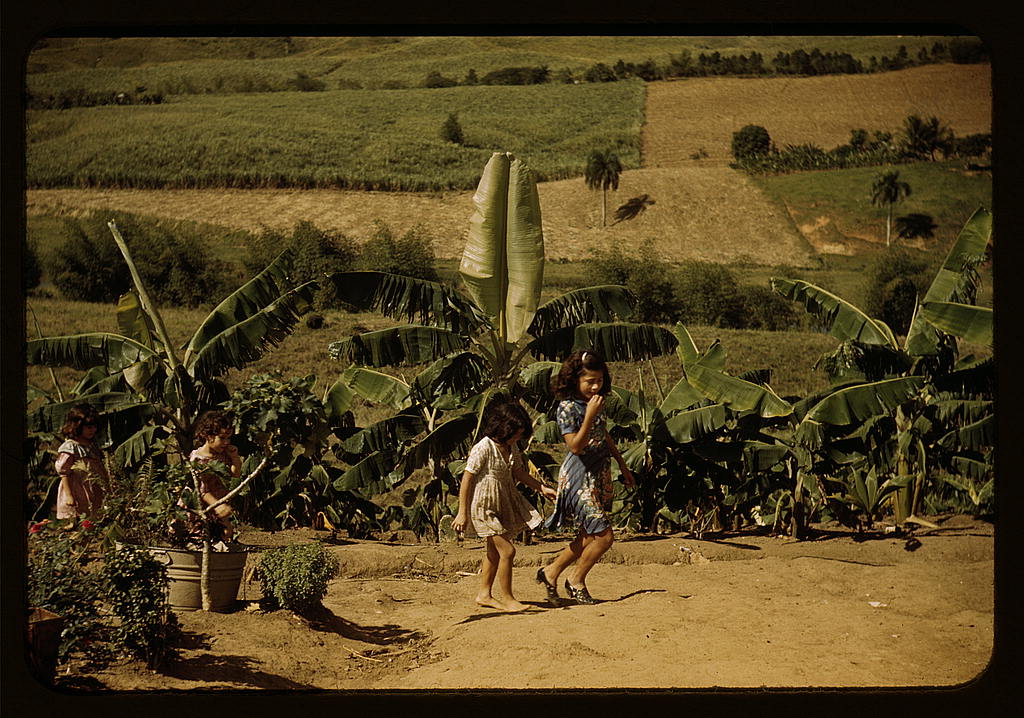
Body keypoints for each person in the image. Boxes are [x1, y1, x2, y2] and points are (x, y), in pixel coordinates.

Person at [536, 350, 635, 606]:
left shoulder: (597, 401)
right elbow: (575, 447)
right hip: (579, 477)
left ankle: (551, 572)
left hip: (599, 473)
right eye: (589, 381)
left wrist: (623, 466)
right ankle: (576, 579)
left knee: (588, 537)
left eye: (599, 380)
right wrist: (589, 415)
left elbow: (605, 435)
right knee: (604, 536)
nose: (595, 386)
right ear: (574, 380)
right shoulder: (568, 407)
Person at [452, 398, 557, 612]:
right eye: (517, 432)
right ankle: (508, 598)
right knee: (507, 551)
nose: (520, 437)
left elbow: (518, 472)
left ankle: (484, 594)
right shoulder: (484, 447)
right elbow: (467, 479)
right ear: (506, 428)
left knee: (493, 553)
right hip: (483, 507)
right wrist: (462, 512)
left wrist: (542, 488)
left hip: (501, 503)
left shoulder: (511, 447)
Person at [186, 410, 241, 541]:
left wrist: (235, 458)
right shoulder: (198, 459)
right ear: (207, 436)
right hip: (203, 503)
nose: (226, 442)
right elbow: (201, 489)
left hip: (218, 500)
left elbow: (235, 474)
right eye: (222, 438)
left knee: (223, 533)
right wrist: (218, 506)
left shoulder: (222, 454)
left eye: (229, 438)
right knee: (198, 534)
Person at [54, 403, 107, 519]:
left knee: (95, 518)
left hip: (94, 488)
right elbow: (64, 473)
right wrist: (69, 495)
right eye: (89, 427)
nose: (92, 430)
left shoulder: (92, 446)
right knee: (79, 519)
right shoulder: (70, 447)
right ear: (77, 426)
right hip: (78, 491)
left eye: (94, 427)